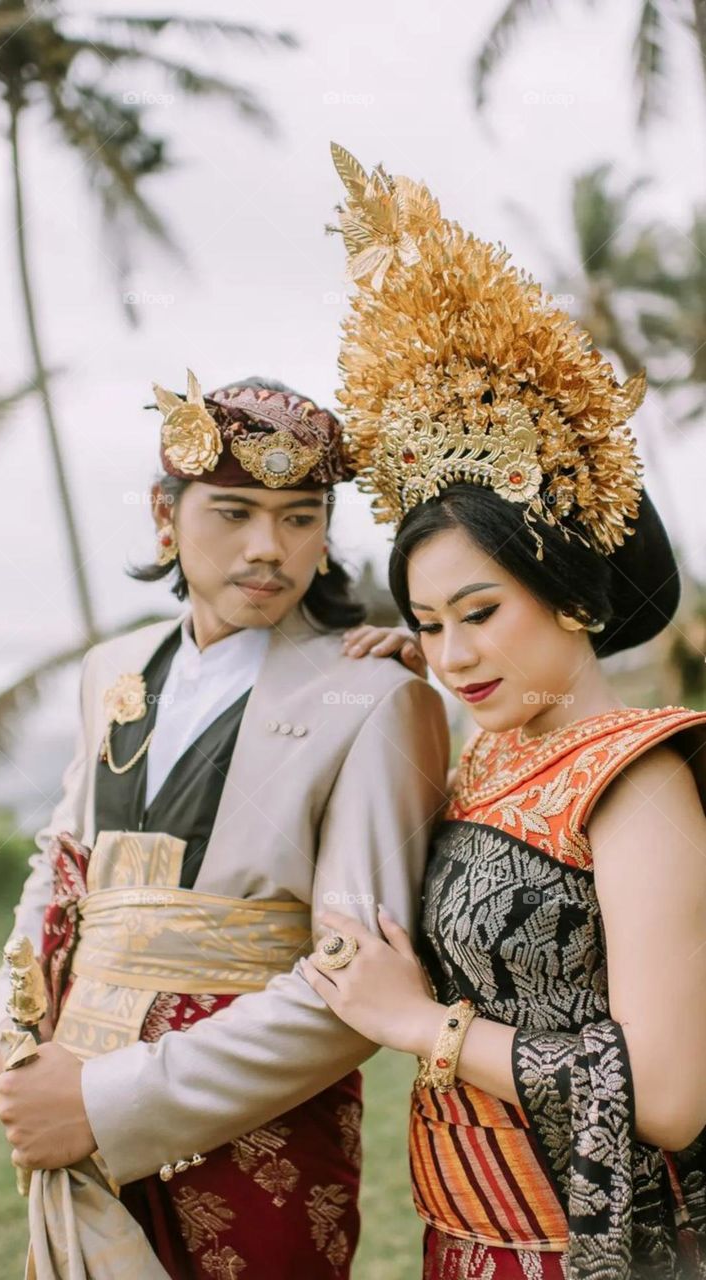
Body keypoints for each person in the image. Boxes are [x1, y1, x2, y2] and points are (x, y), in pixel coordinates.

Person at [302, 145, 706, 1280]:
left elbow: (672, 1095)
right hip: (460, 1237)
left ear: (573, 594)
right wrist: (389, 673)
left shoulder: (636, 783)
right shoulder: (478, 760)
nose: (453, 651)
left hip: (590, 1249)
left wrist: (412, 1023)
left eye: (477, 610)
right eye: (427, 621)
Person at [0, 371, 448, 1278]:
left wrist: (107, 1102)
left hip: (255, 1138)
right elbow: (58, 873)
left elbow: (355, 983)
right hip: (69, 1079)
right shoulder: (110, 671)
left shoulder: (375, 696)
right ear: (166, 516)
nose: (268, 548)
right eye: (232, 512)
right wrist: (15, 1033)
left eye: (300, 516)